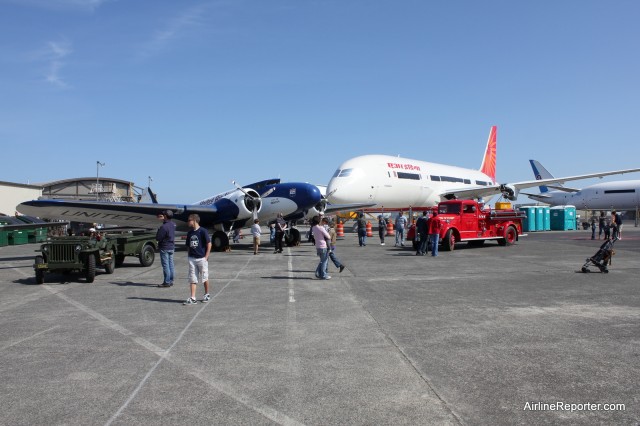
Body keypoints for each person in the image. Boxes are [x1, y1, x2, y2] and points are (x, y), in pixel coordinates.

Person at [184, 214, 212, 305]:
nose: (188, 222)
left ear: (194, 220)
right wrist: (189, 256)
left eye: (189, 220)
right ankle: (193, 297)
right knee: (192, 278)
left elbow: (209, 244)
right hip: (192, 259)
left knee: (205, 277)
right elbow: (188, 245)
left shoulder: (203, 231)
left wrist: (206, 257)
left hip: (202, 258)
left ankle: (207, 294)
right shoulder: (189, 233)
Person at [156, 210, 176, 287]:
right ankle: (171, 280)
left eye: (163, 215)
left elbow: (158, 238)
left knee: (165, 265)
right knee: (171, 264)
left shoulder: (163, 227)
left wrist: (159, 230)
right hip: (171, 246)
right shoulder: (173, 224)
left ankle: (166, 282)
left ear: (166, 216)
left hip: (164, 247)